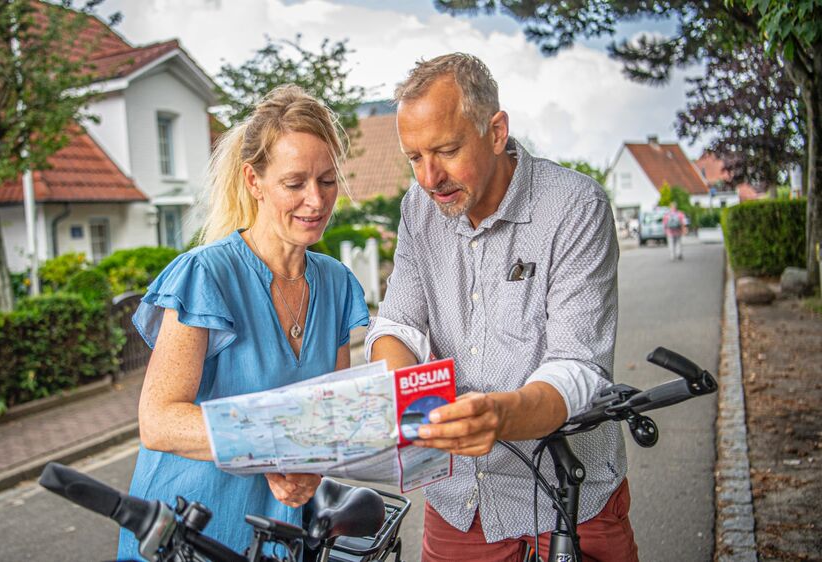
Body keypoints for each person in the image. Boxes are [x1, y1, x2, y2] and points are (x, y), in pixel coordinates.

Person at [365, 53, 638, 561]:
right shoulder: (417, 207)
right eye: (414, 158)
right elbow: (399, 323)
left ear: (495, 131)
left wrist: (497, 415)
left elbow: (579, 366)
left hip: (569, 497)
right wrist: (401, 398)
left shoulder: (576, 207)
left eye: (447, 150)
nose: (429, 178)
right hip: (458, 501)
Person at [117, 85, 370, 558]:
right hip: (190, 531)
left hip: (276, 537)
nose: (316, 201)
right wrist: (268, 442)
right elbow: (158, 421)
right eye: (294, 183)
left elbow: (326, 419)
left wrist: (311, 468)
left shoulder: (336, 284)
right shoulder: (205, 274)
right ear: (254, 181)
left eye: (328, 180)